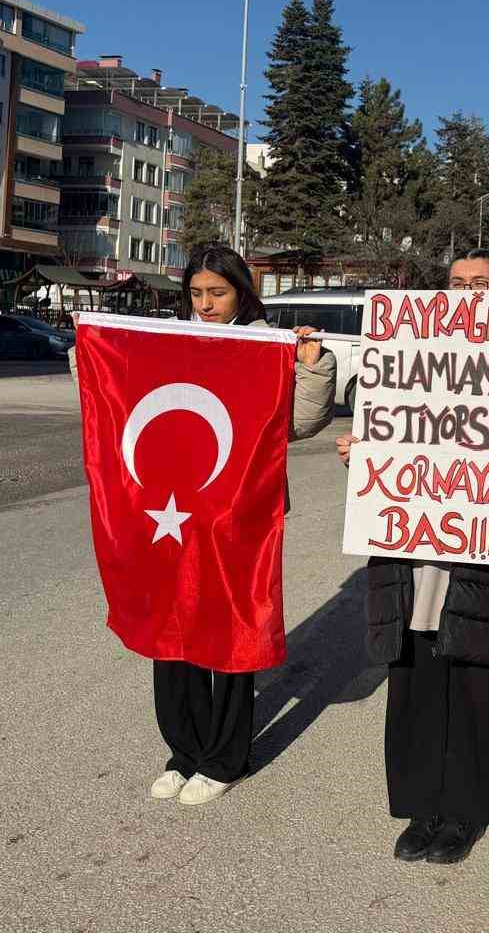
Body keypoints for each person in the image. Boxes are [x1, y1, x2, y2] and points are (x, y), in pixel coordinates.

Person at [73, 243, 338, 806]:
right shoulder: (169, 341)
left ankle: (225, 759)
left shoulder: (265, 345)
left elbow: (297, 424)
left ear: (242, 292)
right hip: (166, 513)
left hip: (238, 517)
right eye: (196, 293)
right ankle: (184, 751)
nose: (206, 303)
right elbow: (112, 393)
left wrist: (312, 367)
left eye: (217, 292)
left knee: (231, 635)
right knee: (170, 632)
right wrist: (90, 347)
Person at [334, 248, 489, 865]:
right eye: (458, 283)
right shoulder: (404, 352)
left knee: (477, 690)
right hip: (411, 558)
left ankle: (464, 812)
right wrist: (361, 451)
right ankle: (420, 809)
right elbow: (387, 428)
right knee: (413, 687)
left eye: (482, 285)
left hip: (487, 552)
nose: (469, 295)